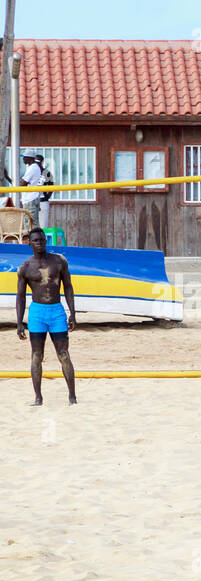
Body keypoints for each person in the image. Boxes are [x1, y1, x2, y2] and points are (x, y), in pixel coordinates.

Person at [15, 228, 76, 405]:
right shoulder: (25, 268)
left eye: (42, 240)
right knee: (36, 355)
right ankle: (38, 397)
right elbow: (20, 296)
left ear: (46, 241)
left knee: (63, 354)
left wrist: (72, 312)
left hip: (56, 311)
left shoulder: (59, 261)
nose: (40, 243)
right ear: (29, 243)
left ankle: (72, 396)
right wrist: (19, 322)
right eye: (36, 241)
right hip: (36, 313)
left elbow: (68, 287)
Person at [20, 153, 42, 221]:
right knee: (30, 223)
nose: (23, 159)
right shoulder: (31, 167)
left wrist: (21, 181)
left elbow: (23, 183)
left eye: (25, 157)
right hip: (30, 198)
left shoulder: (33, 168)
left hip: (30, 199)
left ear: (30, 158)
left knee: (30, 224)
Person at [38, 156, 54, 229]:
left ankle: (43, 239)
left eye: (39, 162)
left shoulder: (46, 172)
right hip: (31, 201)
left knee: (43, 225)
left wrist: (47, 196)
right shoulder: (30, 171)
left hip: (42, 201)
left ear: (42, 162)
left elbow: (51, 185)